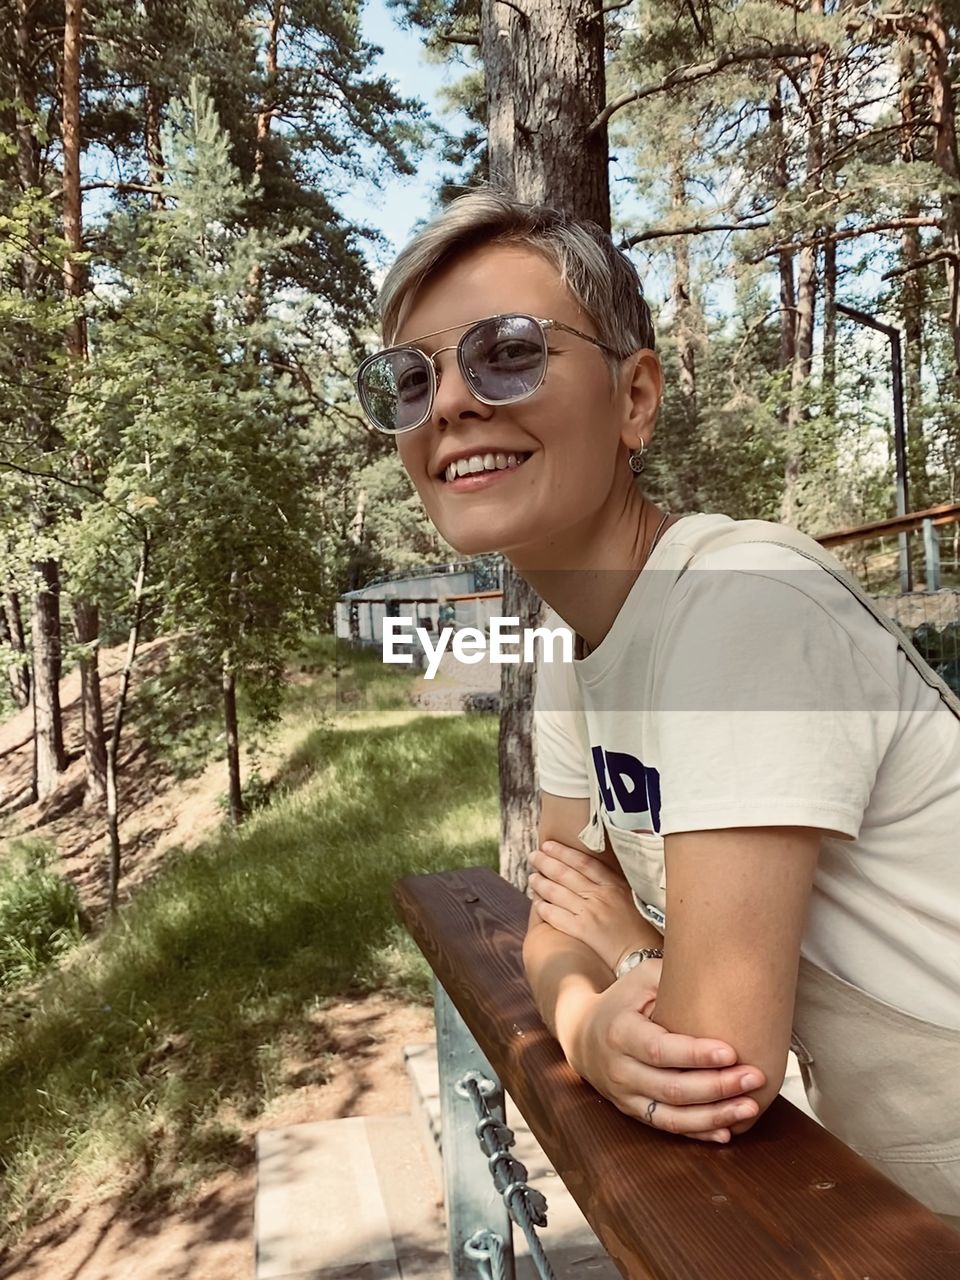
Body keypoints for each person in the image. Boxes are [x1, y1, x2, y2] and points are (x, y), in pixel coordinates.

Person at [355, 189, 960, 1227]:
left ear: (636, 398)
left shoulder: (742, 605)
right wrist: (589, 1025)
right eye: (410, 379)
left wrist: (633, 947)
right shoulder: (565, 648)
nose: (448, 402)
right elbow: (552, 923)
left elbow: (712, 1056)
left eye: (507, 351)